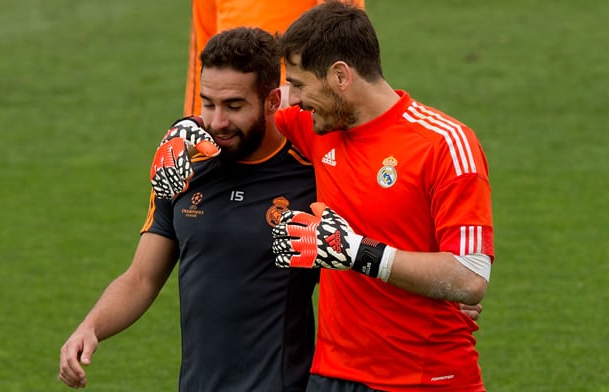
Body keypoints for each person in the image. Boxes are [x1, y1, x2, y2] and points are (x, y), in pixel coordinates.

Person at [59, 27, 319, 391]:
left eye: (234, 105)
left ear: (273, 101)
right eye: (208, 103)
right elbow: (141, 278)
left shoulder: (311, 177)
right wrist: (90, 327)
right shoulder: (184, 167)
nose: (217, 122)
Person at [270, 1, 495, 391]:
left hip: (426, 380)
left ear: (341, 76)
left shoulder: (444, 144)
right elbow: (236, 115)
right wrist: (186, 131)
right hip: (332, 376)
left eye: (300, 84)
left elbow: (470, 277)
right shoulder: (318, 126)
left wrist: (358, 252)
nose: (293, 98)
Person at [184, 0, 365, 116]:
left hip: (299, 105)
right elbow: (204, 51)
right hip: (234, 109)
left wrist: (296, 90)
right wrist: (196, 120)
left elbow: (341, 32)